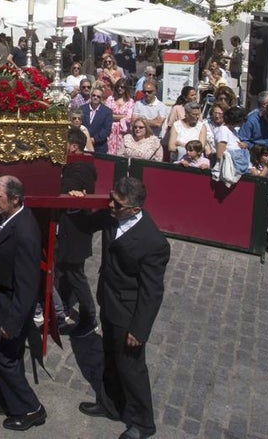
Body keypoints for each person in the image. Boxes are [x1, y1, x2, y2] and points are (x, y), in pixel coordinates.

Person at [76, 176, 170, 439]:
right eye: (111, 199)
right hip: (108, 301)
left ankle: (143, 423)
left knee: (131, 368)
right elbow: (85, 223)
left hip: (128, 315)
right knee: (110, 357)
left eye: (117, 204)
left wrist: (139, 330)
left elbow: (152, 292)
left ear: (134, 209)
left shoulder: (153, 243)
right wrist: (76, 201)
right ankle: (111, 404)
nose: (111, 206)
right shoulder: (111, 215)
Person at [0, 175, 47, 432]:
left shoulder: (24, 232)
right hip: (2, 299)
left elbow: (27, 285)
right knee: (10, 354)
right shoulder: (11, 219)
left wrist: (13, 322)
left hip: (12, 305)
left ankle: (31, 408)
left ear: (15, 199)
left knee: (1, 356)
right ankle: (11, 399)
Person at [57, 128, 99, 338]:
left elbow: (62, 188)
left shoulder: (80, 168)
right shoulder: (74, 165)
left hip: (75, 231)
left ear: (73, 147)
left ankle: (89, 318)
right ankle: (63, 306)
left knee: (75, 274)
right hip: (68, 230)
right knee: (65, 271)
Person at [82, 86, 114, 154]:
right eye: (94, 95)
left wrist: (94, 139)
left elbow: (106, 130)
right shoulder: (82, 109)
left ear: (101, 98)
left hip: (99, 147)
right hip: (83, 144)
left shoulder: (107, 112)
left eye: (98, 96)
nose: (95, 97)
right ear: (91, 96)